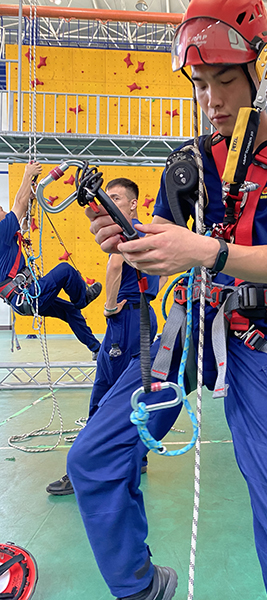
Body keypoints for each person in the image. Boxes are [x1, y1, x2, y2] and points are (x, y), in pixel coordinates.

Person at [67, 1, 267, 599]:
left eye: (226, 80)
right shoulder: (187, 163)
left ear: (259, 74)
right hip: (188, 326)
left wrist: (204, 251)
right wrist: (129, 243)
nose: (212, 99)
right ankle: (140, 586)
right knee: (93, 459)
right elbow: (164, 250)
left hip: (252, 331)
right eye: (201, 84)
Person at [46, 178, 165, 496]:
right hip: (144, 316)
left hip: (125, 319)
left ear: (133, 203)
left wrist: (110, 307)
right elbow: (163, 271)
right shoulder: (149, 234)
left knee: (106, 393)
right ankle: (137, 457)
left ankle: (87, 467)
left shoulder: (127, 232)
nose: (109, 203)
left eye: (116, 197)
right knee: (133, 388)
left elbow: (114, 266)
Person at [0, 161, 102, 358]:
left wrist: (30, 197)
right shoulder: (1, 231)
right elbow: (18, 204)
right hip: (27, 296)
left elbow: (22, 211)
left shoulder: (5, 236)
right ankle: (83, 298)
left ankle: (97, 349)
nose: (4, 211)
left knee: (70, 311)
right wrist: (27, 173)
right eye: (0, 209)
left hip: (23, 299)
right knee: (65, 270)